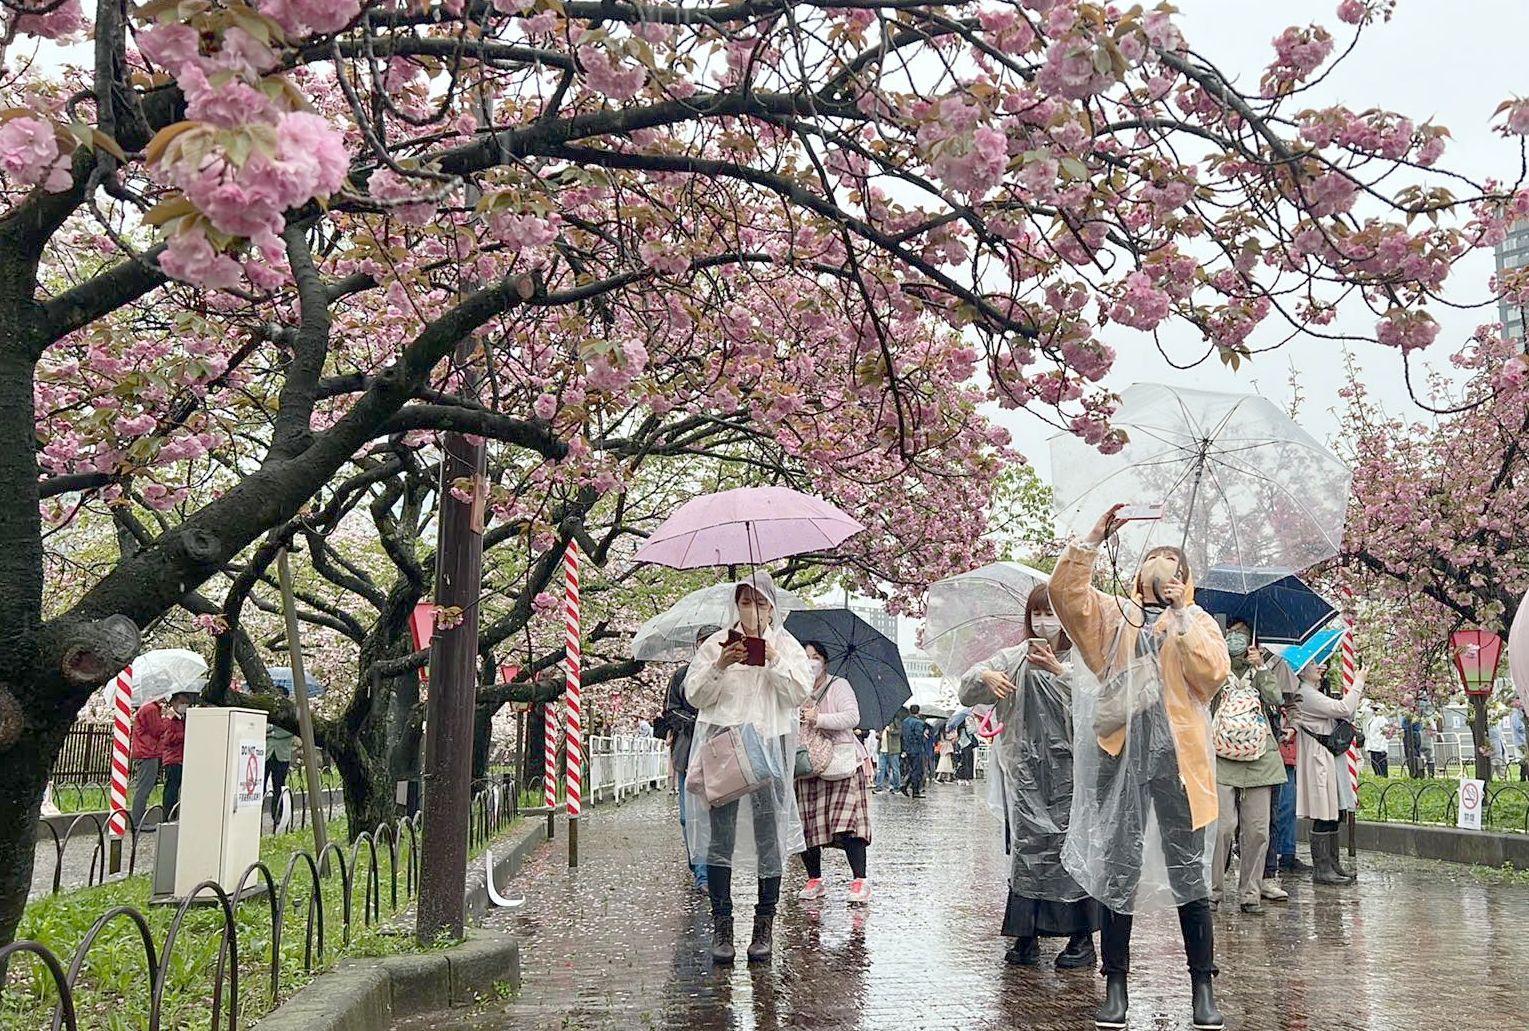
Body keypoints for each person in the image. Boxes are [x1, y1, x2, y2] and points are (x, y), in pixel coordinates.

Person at [1051, 505, 1228, 1031]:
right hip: (1119, 756)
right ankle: (1116, 984)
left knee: (1188, 871)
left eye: (1173, 560)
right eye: (1154, 555)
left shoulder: (1197, 622)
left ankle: (1202, 986)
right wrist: (1091, 540)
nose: (1162, 563)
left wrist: (1181, 622)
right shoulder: (1116, 616)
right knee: (1119, 868)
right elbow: (1067, 599)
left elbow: (1212, 676)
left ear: (1185, 577)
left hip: (1180, 760)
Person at [959, 583, 1101, 971]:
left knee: (1070, 852)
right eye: (1037, 614)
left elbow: (1101, 701)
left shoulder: (1084, 660)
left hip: (1072, 776)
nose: (1043, 622)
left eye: (1051, 613)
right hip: (1026, 776)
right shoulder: (1014, 658)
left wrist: (1060, 672)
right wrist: (985, 677)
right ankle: (1026, 935)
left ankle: (1081, 938)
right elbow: (967, 690)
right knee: (1028, 854)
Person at [682, 576, 812, 966]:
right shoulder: (715, 644)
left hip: (769, 750)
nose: (752, 611)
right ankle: (723, 924)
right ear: (735, 606)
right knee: (719, 838)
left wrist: (772, 659)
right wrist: (721, 664)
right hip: (725, 750)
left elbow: (798, 694)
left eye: (759, 603)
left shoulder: (786, 647)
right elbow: (696, 696)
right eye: (744, 602)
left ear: (772, 608)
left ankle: (764, 924)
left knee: (769, 837)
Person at [1209, 622, 1289, 914]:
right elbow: (1203, 697)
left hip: (1260, 757)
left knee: (1257, 830)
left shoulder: (1262, 668)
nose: (1236, 637)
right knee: (1222, 827)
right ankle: (1213, 891)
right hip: (1221, 754)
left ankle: (1250, 893)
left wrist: (1261, 668)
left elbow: (1276, 699)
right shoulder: (1216, 664)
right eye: (1231, 631)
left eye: (1242, 632)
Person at [795, 641, 874, 905]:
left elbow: (852, 717)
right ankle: (815, 879)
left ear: (825, 662)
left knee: (847, 823)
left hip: (840, 762)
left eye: (815, 657)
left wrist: (819, 719)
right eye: (805, 657)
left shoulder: (839, 685)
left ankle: (859, 881)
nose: (811, 662)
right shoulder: (796, 688)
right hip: (806, 763)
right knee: (807, 824)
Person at [1294, 658, 1365, 885]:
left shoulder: (1314, 692)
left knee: (1332, 811)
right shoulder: (1306, 693)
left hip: (1327, 756)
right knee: (1324, 811)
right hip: (1319, 757)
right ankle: (1322, 868)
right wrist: (1358, 683)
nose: (1320, 667)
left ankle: (1332, 864)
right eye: (1315, 663)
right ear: (1303, 669)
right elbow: (1342, 708)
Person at [665, 626, 715, 890]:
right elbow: (670, 711)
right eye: (703, 642)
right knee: (689, 816)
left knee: (715, 816)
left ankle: (712, 872)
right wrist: (696, 722)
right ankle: (699, 867)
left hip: (721, 754)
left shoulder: (730, 674)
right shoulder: (682, 676)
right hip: (688, 751)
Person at [160, 689, 198, 820]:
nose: (184, 706)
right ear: (174, 703)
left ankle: (175, 814)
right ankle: (168, 815)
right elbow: (167, 738)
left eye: (186, 703)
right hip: (173, 758)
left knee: (178, 788)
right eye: (182, 703)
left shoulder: (182, 719)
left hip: (181, 757)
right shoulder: (169, 719)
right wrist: (184, 735)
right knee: (171, 788)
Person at [266, 722, 296, 824]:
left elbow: (290, 730)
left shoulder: (291, 715)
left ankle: (277, 814)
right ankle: (256, 814)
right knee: (260, 785)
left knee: (278, 786)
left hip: (282, 755)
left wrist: (272, 734)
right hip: (267, 752)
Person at [900, 705, 929, 797]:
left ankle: (905, 786)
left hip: (908, 749)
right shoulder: (919, 722)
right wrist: (924, 736)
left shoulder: (905, 721)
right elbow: (918, 736)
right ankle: (915, 791)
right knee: (918, 770)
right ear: (918, 711)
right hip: (917, 749)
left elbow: (903, 735)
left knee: (913, 769)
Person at [1365, 709, 1391, 778]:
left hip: (1379, 745)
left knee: (1380, 762)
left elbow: (1386, 732)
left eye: (1377, 710)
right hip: (1372, 744)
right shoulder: (1373, 719)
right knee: (1374, 762)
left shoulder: (1382, 719)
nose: (1375, 711)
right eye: (1374, 710)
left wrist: (1383, 745)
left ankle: (1383, 776)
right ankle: (1377, 775)